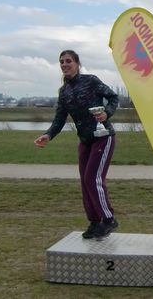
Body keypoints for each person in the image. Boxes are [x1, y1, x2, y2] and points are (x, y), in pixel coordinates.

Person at [34, 50, 119, 240]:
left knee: (92, 179)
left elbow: (114, 98)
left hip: (103, 136)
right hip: (85, 141)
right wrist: (48, 135)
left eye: (69, 61)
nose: (65, 64)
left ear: (77, 63)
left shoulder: (91, 81)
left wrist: (107, 113)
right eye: (62, 62)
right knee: (85, 183)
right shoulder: (64, 91)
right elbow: (59, 119)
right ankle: (95, 222)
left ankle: (109, 219)